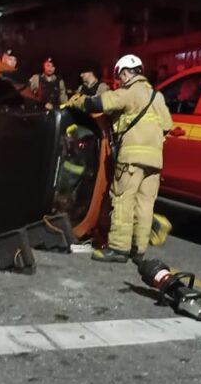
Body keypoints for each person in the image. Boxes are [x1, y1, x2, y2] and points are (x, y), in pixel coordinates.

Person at [69, 53, 172, 263]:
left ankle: (118, 248)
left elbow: (100, 103)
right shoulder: (157, 96)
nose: (120, 81)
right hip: (154, 160)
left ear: (126, 73)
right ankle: (139, 248)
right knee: (144, 203)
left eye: (120, 76)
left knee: (123, 199)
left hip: (132, 157)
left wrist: (78, 102)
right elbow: (167, 125)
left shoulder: (129, 92)